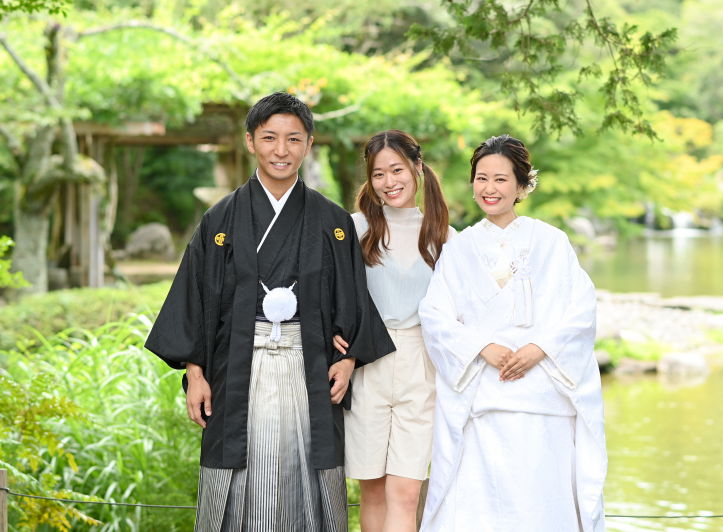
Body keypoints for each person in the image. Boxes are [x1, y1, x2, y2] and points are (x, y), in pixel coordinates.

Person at [144, 92, 395, 532]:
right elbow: (196, 298)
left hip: (310, 366)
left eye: (293, 139)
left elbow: (352, 299)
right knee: (237, 478)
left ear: (309, 144)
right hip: (235, 367)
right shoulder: (220, 220)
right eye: (270, 138)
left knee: (309, 475)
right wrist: (196, 374)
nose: (282, 150)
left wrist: (350, 357)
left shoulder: (332, 221)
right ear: (250, 141)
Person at [418, 134, 607, 532]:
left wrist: (541, 346)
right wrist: (481, 345)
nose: (490, 188)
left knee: (541, 504)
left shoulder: (552, 242)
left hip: (543, 401)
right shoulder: (459, 247)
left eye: (501, 179)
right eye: (481, 178)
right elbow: (435, 316)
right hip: (482, 399)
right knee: (480, 507)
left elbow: (582, 308)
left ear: (522, 186)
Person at [333, 130, 456, 532]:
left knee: (405, 492)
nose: (389, 182)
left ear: (418, 167)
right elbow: (333, 293)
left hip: (422, 365)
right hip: (367, 360)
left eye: (397, 169)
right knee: (372, 490)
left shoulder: (444, 236)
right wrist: (337, 335)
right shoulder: (354, 229)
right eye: (379, 174)